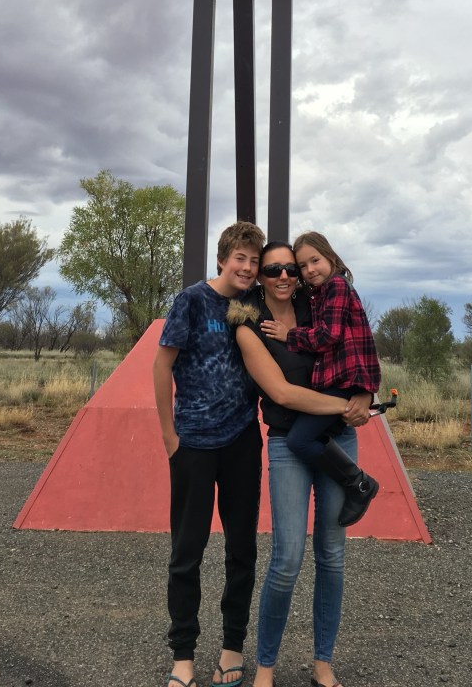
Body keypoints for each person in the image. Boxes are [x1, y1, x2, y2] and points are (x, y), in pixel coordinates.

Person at [232, 241, 372, 687]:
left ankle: (323, 663)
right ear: (260, 276)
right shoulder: (250, 325)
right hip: (288, 443)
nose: (284, 276)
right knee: (287, 558)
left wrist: (364, 392)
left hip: (338, 437)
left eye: (291, 268)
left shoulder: (320, 305)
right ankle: (266, 667)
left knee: (331, 556)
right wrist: (346, 406)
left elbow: (356, 344)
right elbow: (281, 393)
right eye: (273, 269)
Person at [153, 220, 266, 687]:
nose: (247, 267)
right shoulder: (192, 300)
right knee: (187, 552)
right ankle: (183, 656)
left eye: (254, 260)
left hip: (242, 441)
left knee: (242, 550)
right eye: (240, 258)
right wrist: (169, 437)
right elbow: (162, 364)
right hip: (194, 443)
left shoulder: (254, 303)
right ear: (221, 260)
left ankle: (231, 648)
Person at [259, 231, 381, 527]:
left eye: (315, 261)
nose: (309, 270)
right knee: (304, 438)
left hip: (342, 381)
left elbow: (330, 335)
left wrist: (290, 335)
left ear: (330, 257)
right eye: (303, 265)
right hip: (337, 381)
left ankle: (359, 483)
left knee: (299, 440)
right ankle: (355, 481)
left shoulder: (336, 286)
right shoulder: (317, 293)